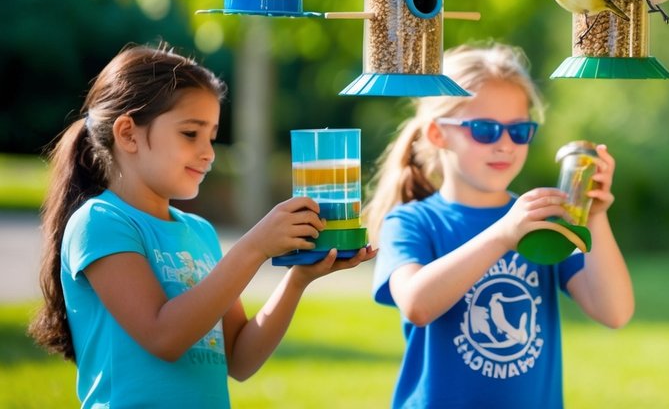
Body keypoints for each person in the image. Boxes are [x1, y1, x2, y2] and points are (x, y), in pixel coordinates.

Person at [29, 44, 374, 408]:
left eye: (211, 136)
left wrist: (298, 279)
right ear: (128, 133)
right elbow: (164, 337)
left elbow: (240, 359)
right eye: (191, 134)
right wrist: (254, 248)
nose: (208, 152)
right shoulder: (101, 223)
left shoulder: (199, 232)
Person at [365, 41, 633, 409]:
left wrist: (596, 217)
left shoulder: (542, 221)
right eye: (485, 130)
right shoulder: (413, 221)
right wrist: (504, 234)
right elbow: (416, 304)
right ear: (438, 134)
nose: (505, 144)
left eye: (519, 131)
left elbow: (614, 312)